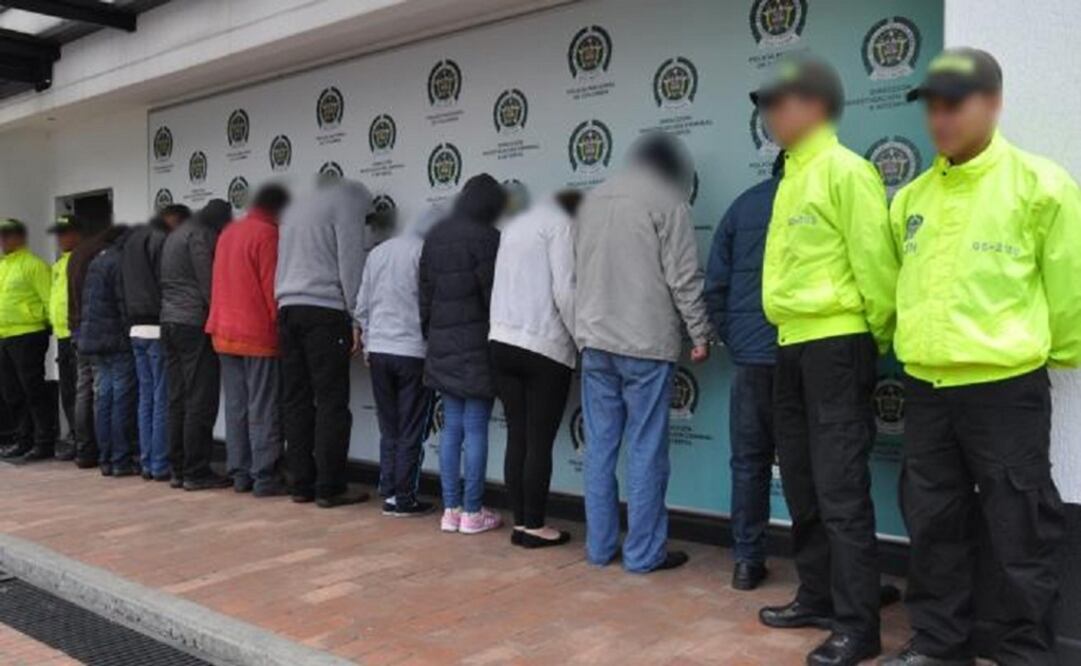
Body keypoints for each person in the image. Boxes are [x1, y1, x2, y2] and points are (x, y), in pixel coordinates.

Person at [880, 48, 1081, 666]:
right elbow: (897, 286)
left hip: (1005, 389)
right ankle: (941, 643)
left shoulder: (1039, 186)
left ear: (992, 103)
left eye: (956, 104)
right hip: (927, 388)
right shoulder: (910, 199)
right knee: (934, 524)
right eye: (932, 107)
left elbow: (1069, 288)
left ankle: (1024, 652)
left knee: (1020, 527)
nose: (941, 119)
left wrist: (1055, 354)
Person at [749, 56, 899, 666]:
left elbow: (877, 268)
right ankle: (816, 595)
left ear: (813, 106)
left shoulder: (846, 170)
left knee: (840, 488)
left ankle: (859, 627)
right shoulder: (790, 176)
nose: (769, 115)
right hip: (791, 344)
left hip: (837, 345)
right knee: (804, 480)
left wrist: (872, 340)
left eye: (779, 102)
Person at [574, 132, 712, 573]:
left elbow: (575, 272)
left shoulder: (592, 200)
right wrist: (700, 332)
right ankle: (643, 553)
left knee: (599, 447)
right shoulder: (667, 199)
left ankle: (598, 548)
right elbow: (684, 277)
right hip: (645, 343)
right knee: (646, 449)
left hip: (596, 341)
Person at [703, 154, 783, 590]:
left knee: (748, 464)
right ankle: (823, 571)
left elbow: (714, 285)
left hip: (752, 360)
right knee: (813, 468)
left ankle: (747, 563)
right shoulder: (824, 198)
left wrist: (738, 338)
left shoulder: (743, 206)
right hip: (804, 357)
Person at [276, 180, 376, 508]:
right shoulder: (348, 201)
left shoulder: (295, 206)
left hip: (288, 309)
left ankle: (300, 483)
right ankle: (330, 487)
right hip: (324, 310)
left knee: (296, 401)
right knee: (331, 402)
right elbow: (350, 262)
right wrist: (358, 318)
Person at [489, 190, 581, 548]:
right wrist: (581, 338)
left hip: (501, 340)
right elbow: (565, 290)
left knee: (518, 435)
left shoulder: (514, 225)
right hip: (544, 345)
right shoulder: (561, 225)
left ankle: (521, 523)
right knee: (539, 441)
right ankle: (535, 526)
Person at [419, 174, 506, 535]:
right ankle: (473, 511)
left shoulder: (436, 235)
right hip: (478, 346)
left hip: (441, 344)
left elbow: (423, 295)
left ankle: (450, 510)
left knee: (451, 427)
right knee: (475, 428)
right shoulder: (489, 238)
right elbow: (494, 298)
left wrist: (431, 335)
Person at [354, 206, 441, 518]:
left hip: (379, 350)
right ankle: (403, 497)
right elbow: (431, 305)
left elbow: (361, 306)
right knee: (411, 428)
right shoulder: (425, 253)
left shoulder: (378, 254)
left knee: (389, 427)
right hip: (413, 351)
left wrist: (367, 345)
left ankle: (389, 490)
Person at [206, 185, 290, 497]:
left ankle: (240, 472)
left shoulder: (229, 232)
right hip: (257, 334)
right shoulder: (267, 235)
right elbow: (272, 289)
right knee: (264, 406)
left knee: (237, 406)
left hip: (223, 332)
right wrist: (280, 329)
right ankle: (265, 476)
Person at [161, 199, 232, 490]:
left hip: (169, 322)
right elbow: (208, 282)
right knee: (200, 398)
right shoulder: (201, 234)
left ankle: (178, 468)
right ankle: (196, 470)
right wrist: (220, 318)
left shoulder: (177, 233)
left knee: (177, 398)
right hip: (193, 323)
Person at [121, 211, 179, 482]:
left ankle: (147, 462)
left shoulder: (130, 242)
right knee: (161, 398)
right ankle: (159, 464)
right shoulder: (158, 240)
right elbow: (165, 281)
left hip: (135, 328)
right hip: (156, 326)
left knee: (146, 398)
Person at [79, 225, 137, 476]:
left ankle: (105, 458)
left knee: (103, 399)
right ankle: (120, 458)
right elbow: (123, 302)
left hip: (93, 339)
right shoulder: (120, 262)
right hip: (115, 340)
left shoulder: (97, 261)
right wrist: (129, 330)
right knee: (120, 399)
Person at [0, 218, 56, 462]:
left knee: (32, 390)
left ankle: (43, 442)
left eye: (6, 235)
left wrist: (47, 329)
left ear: (19, 238)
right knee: (12, 392)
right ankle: (23, 440)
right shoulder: (3, 266)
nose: (2, 240)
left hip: (29, 335)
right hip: (4, 336)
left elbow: (49, 300)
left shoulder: (34, 265)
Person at [67, 223, 115, 468]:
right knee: (99, 390)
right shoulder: (101, 254)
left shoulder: (76, 254)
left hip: (76, 329)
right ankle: (102, 449)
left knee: (83, 389)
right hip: (94, 331)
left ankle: (84, 450)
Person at [48, 214, 84, 462]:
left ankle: (84, 440)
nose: (61, 238)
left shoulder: (83, 260)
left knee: (82, 391)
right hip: (62, 334)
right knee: (68, 391)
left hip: (78, 334)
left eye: (65, 232)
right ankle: (74, 436)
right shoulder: (59, 264)